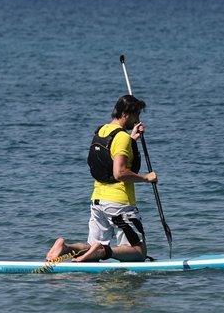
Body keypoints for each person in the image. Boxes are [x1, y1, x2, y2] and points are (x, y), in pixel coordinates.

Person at [45, 95, 159, 263]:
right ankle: (103, 251)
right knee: (138, 252)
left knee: (91, 247)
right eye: (136, 116)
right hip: (119, 204)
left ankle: (66, 248)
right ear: (126, 114)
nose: (137, 120)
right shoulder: (122, 138)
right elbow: (119, 173)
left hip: (97, 200)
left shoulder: (102, 131)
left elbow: (112, 152)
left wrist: (132, 139)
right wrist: (146, 178)